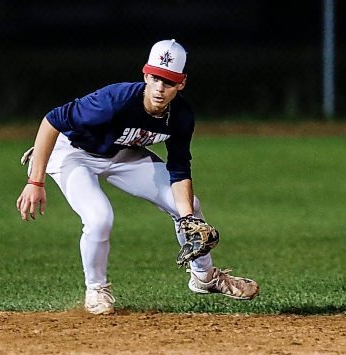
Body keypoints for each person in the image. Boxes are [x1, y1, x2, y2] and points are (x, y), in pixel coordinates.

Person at [16, 39, 259, 315]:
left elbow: (179, 169)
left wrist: (187, 218)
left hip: (123, 154)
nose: (159, 88)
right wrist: (35, 181)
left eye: (168, 81)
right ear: (146, 75)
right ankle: (96, 290)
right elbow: (53, 120)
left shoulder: (181, 116)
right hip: (74, 154)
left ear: (181, 83)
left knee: (189, 207)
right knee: (99, 217)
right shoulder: (113, 101)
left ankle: (204, 278)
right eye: (155, 78)